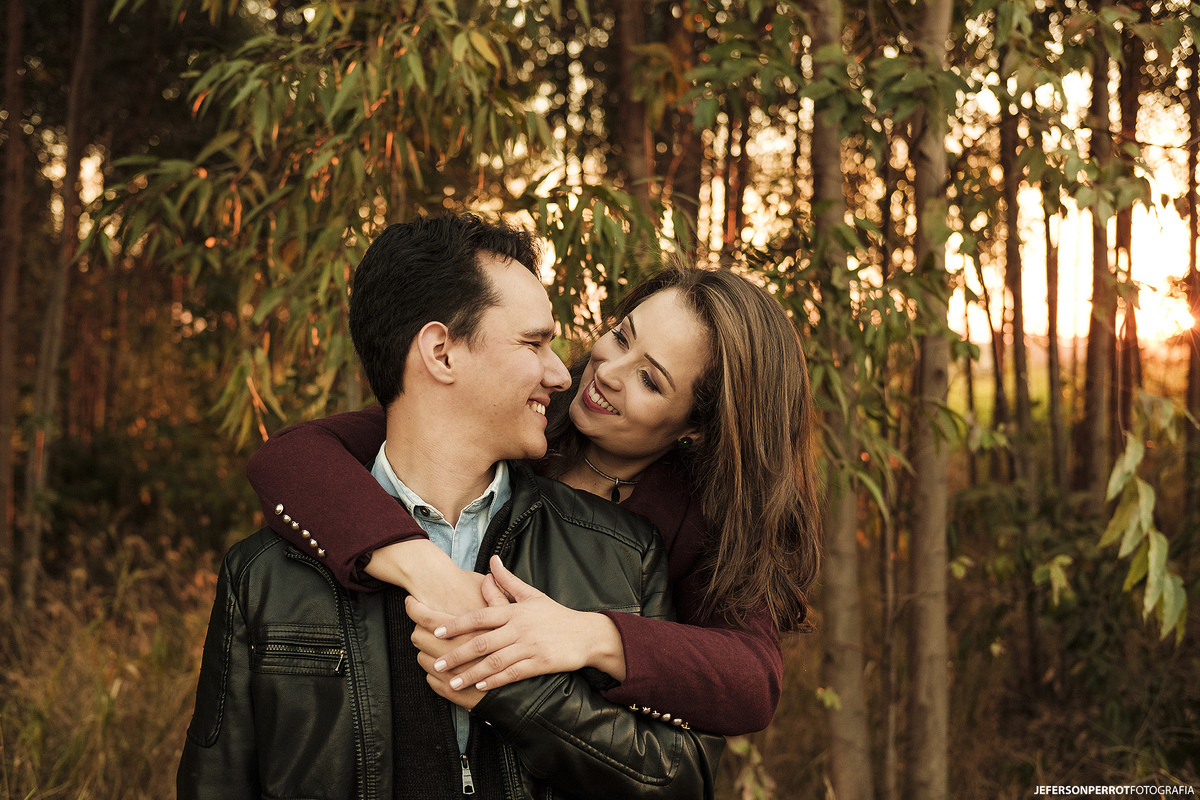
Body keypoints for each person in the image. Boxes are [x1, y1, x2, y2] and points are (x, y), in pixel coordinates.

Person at [177, 214, 724, 800]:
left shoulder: (623, 554)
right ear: (441, 352)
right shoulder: (264, 576)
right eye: (534, 343)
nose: (563, 373)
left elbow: (681, 781)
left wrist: (512, 687)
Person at [246, 255, 822, 737]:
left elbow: (752, 679)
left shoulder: (698, 518)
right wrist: (426, 569)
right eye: (621, 336)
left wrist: (587, 636)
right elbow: (292, 457)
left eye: (651, 379)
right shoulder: (523, 413)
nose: (607, 371)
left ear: (699, 425)